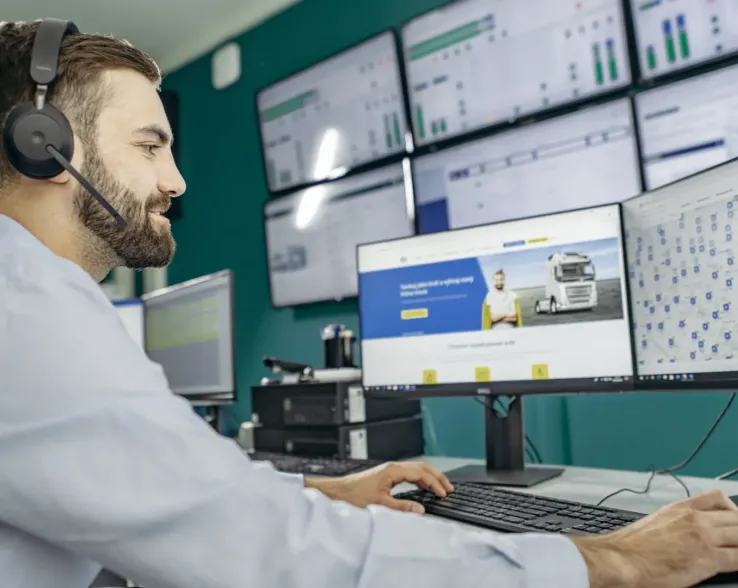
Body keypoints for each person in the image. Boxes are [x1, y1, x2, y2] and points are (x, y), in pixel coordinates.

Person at [1, 19, 738, 588]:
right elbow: (270, 558)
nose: (178, 181)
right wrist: (612, 562)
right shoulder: (26, 304)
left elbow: (170, 491)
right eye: (151, 145)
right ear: (45, 146)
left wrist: (324, 495)